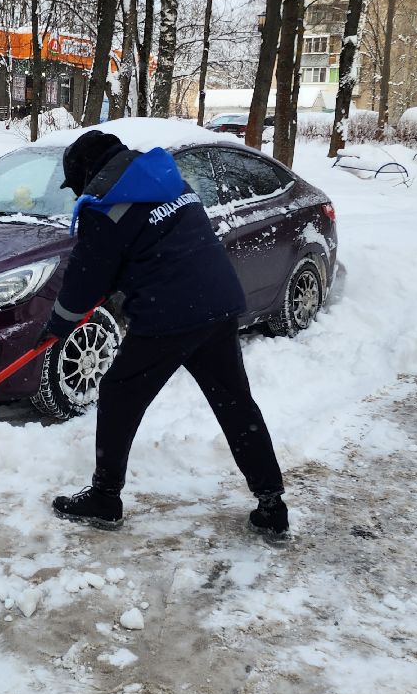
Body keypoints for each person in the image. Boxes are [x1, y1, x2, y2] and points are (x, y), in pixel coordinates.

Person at [44, 129, 288, 538]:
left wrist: (57, 326)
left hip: (170, 314)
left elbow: (85, 281)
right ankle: (271, 500)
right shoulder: (167, 181)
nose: (76, 194)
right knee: (234, 401)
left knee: (120, 392)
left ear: (87, 173)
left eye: (76, 185)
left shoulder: (105, 209)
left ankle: (105, 497)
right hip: (217, 303)